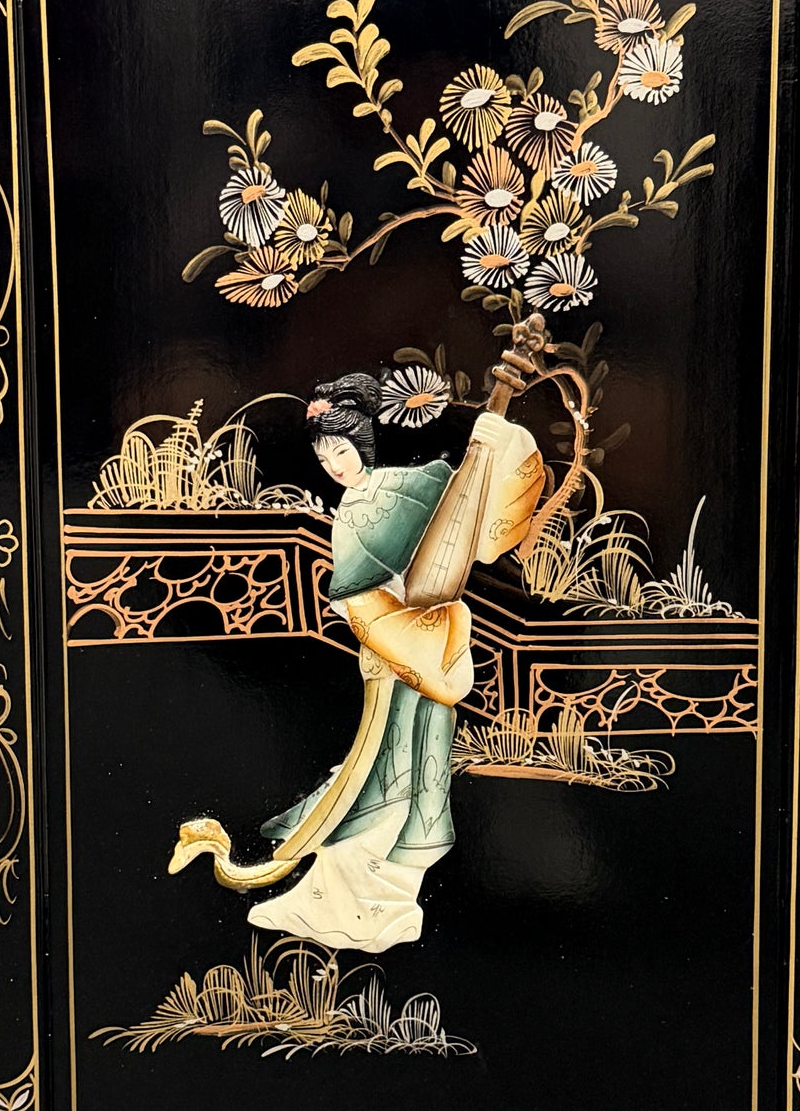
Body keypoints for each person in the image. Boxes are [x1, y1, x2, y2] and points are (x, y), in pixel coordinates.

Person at [170, 355, 546, 951]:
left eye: (340, 451)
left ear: (363, 443)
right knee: (373, 772)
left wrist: (494, 442)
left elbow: (469, 514)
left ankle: (391, 901)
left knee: (416, 769)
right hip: (390, 650)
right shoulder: (350, 513)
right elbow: (360, 595)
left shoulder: (410, 484)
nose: (334, 466)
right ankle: (341, 900)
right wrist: (384, 623)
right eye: (324, 459)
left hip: (424, 643)